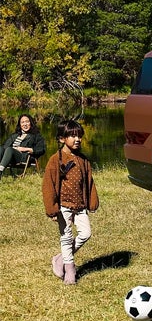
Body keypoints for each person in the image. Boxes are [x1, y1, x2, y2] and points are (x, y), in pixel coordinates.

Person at [42, 120, 99, 285]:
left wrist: (92, 202)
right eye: (72, 136)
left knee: (85, 233)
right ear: (62, 139)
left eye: (79, 136)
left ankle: (60, 258)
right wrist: (52, 209)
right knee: (66, 237)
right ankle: (70, 270)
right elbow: (48, 185)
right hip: (63, 207)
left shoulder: (83, 159)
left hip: (80, 206)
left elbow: (89, 182)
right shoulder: (56, 160)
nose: (77, 139)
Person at [0, 114, 46, 180]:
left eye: (27, 121)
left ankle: (0, 171)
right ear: (20, 124)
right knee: (1, 148)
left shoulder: (36, 136)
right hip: (9, 156)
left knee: (10, 149)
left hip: (23, 156)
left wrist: (25, 149)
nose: (25, 124)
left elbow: (41, 149)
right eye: (22, 122)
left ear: (31, 123)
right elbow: (5, 146)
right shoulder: (14, 135)